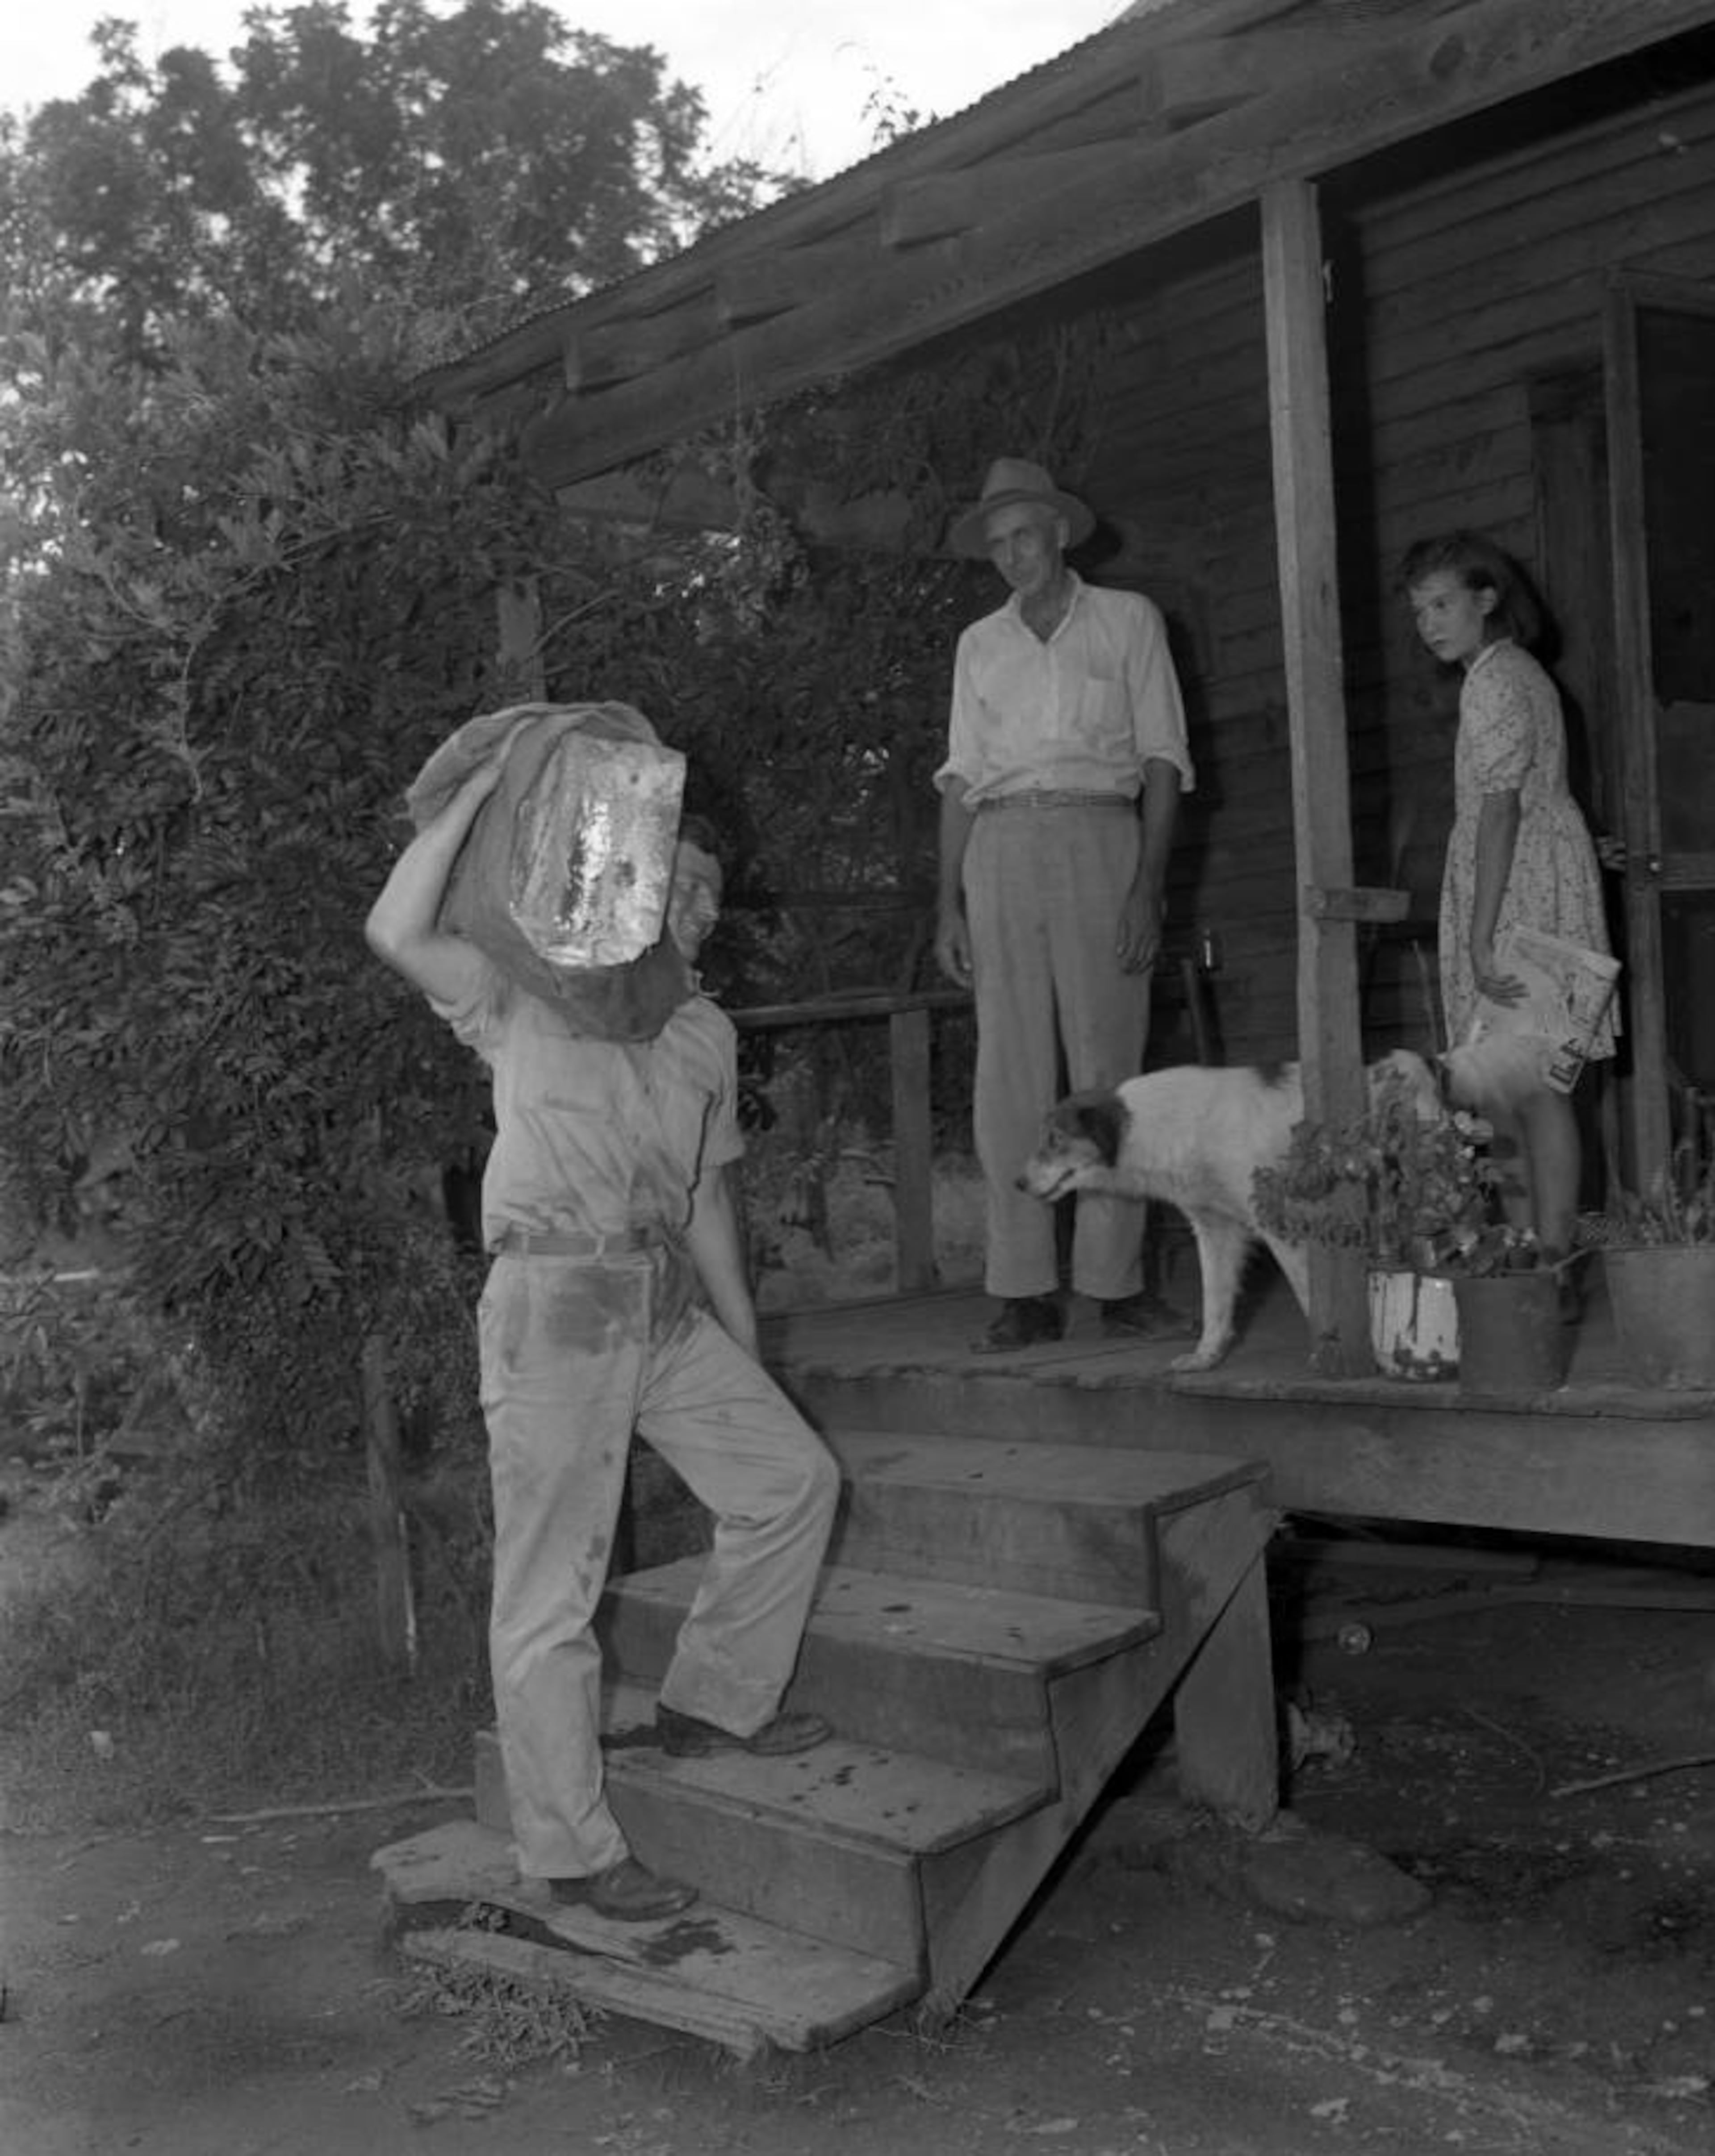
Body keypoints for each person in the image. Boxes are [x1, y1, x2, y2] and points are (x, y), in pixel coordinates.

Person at [365, 760, 839, 1922]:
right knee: (551, 1592)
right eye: (677, 881)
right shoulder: (534, 993)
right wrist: (474, 797)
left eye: (712, 894)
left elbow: (711, 1204)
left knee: (793, 1481)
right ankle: (568, 1853)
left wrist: (748, 1353)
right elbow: (395, 926)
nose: (698, 907)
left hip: (660, 1300)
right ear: (624, 885)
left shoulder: (707, 1036)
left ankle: (714, 1701)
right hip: (554, 1301)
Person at [933, 455, 1196, 1352]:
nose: (1013, 556)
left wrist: (1148, 885)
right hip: (999, 846)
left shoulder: (1127, 620)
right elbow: (961, 778)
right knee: (1007, 1073)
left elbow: (1163, 758)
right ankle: (1022, 1287)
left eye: (1025, 537)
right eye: (998, 544)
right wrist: (947, 904)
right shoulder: (980, 645)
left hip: (1101, 836)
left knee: (1107, 1064)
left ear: (1057, 532)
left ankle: (1116, 1283)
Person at [1401, 531, 1618, 1273]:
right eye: (1419, 608)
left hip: (1519, 887)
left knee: (1531, 1084)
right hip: (1539, 873)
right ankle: (1532, 1256)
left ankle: (1547, 1256)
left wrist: (1481, 932)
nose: (1429, 622)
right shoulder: (1516, 671)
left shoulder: (1494, 678)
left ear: (1487, 599)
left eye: (1443, 603)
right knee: (1515, 1086)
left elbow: (1501, 810)